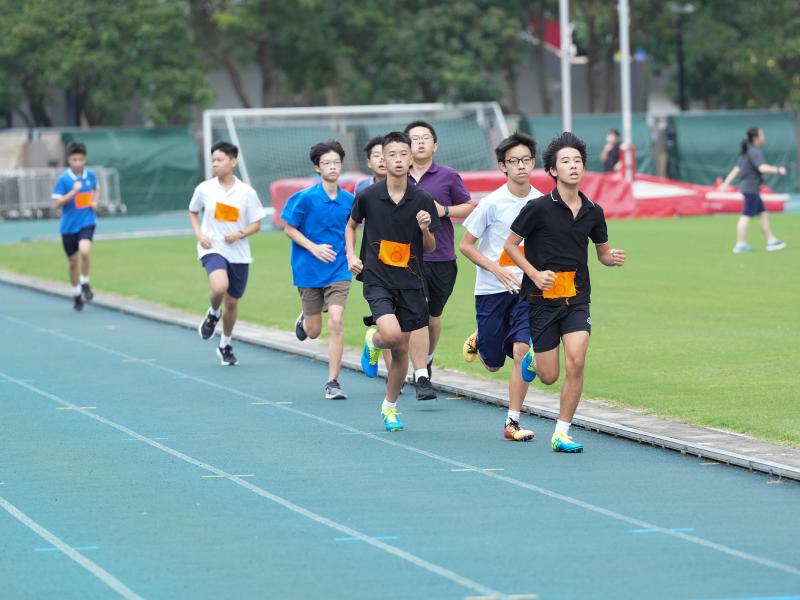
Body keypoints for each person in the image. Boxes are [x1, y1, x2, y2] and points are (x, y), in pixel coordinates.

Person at [504, 132, 626, 453]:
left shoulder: (593, 211)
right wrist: (533, 273)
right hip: (541, 300)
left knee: (577, 360)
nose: (573, 166)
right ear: (553, 170)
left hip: (576, 297)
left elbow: (601, 251)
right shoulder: (538, 208)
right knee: (547, 375)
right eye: (566, 162)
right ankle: (534, 356)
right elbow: (510, 246)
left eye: (578, 161)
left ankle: (562, 432)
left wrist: (609, 258)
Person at [345, 131, 440, 432]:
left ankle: (390, 406)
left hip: (411, 281)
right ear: (382, 160)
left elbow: (431, 248)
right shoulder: (369, 196)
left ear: (412, 159)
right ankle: (373, 340)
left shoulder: (423, 199)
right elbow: (351, 226)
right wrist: (350, 255)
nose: (398, 160)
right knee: (391, 334)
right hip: (377, 278)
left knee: (400, 349)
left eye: (403, 155)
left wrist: (425, 229)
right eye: (392, 155)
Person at [460, 132, 543, 442]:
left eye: (525, 160)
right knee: (494, 364)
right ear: (502, 166)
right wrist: (495, 269)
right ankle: (483, 337)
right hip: (491, 291)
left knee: (523, 351)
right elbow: (466, 245)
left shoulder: (541, 203)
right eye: (513, 161)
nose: (520, 166)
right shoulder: (491, 203)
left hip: (526, 290)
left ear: (533, 163)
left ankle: (513, 422)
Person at [404, 120, 475, 400]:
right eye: (414, 138)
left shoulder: (448, 176)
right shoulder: (399, 176)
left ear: (435, 145)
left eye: (425, 138)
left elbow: (469, 206)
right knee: (417, 313)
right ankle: (421, 374)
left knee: (433, 316)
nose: (420, 142)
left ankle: (427, 358)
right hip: (407, 258)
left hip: (442, 256)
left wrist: (443, 210)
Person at [281, 140, 353, 400]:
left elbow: (353, 230)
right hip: (309, 270)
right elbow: (289, 228)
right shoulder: (305, 198)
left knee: (336, 320)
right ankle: (305, 317)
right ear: (317, 168)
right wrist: (313, 248)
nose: (332, 167)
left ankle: (332, 382)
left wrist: (353, 255)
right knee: (313, 332)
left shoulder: (349, 201)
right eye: (326, 163)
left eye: (336, 162)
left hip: (339, 270)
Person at [190, 141, 266, 366]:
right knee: (219, 287)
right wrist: (200, 235)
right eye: (213, 160)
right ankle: (213, 312)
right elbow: (193, 212)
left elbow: (257, 223)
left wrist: (240, 234)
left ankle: (225, 343)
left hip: (239, 253)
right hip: (212, 247)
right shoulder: (205, 189)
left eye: (219, 159)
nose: (215, 164)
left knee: (232, 302)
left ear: (233, 162)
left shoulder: (246, 192)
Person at [719, 127, 787, 253]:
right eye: (762, 134)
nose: (764, 136)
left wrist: (725, 184)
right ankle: (740, 244)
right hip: (750, 189)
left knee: (762, 214)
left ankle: (771, 240)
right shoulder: (754, 152)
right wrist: (778, 170)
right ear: (756, 138)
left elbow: (736, 169)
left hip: (750, 189)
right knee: (746, 215)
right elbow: (762, 168)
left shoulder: (747, 151)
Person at [52, 140, 99, 311]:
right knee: (73, 262)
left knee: (85, 251)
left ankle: (85, 282)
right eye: (74, 160)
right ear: (68, 160)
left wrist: (94, 201)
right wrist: (73, 192)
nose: (78, 163)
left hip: (87, 221)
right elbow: (57, 203)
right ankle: (76, 293)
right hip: (68, 227)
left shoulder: (91, 175)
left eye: (81, 159)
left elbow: (96, 188)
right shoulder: (63, 180)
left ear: (85, 159)